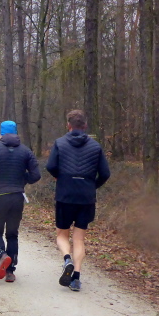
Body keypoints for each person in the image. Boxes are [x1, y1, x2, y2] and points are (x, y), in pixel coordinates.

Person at [46, 110, 110, 291]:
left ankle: (67, 259)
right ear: (85, 125)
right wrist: (92, 186)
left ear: (68, 125)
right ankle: (76, 278)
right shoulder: (96, 146)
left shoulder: (60, 143)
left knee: (61, 234)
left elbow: (50, 166)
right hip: (86, 197)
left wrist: (60, 177)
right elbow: (105, 173)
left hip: (65, 195)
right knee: (79, 239)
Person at [0, 120, 41, 283]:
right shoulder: (26, 151)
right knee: (12, 234)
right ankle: (10, 272)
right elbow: (36, 175)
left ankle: (2, 255)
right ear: (16, 133)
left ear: (0, 134)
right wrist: (22, 179)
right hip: (17, 196)